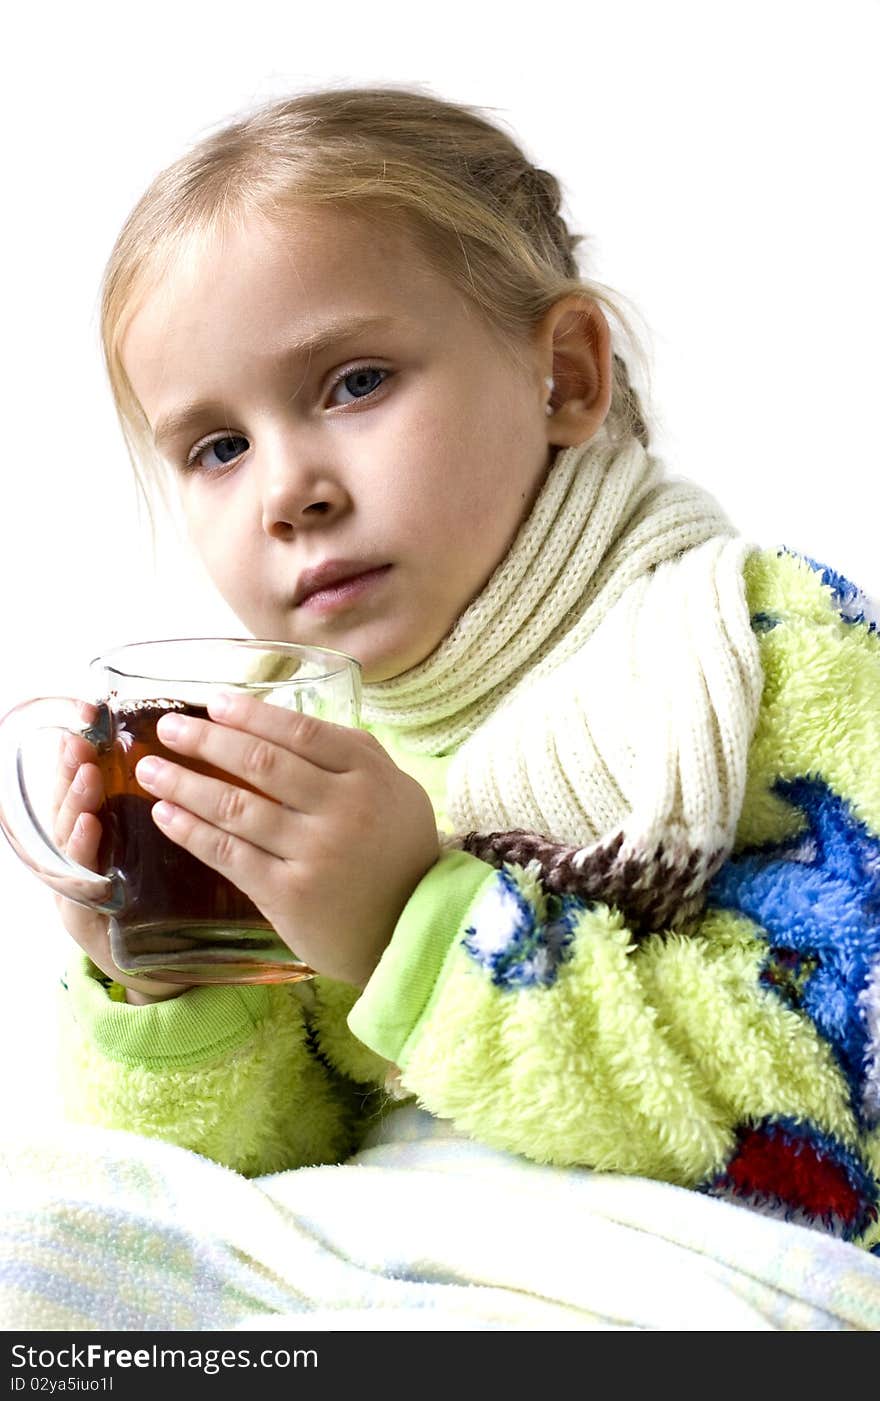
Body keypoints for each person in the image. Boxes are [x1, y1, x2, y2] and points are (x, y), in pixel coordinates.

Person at [51, 84, 880, 1251]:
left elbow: (849, 1099)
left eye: (354, 383)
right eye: (219, 448)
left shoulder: (760, 650)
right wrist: (173, 988)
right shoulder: (310, 767)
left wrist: (420, 925)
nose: (289, 491)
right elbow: (248, 1187)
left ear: (569, 375)